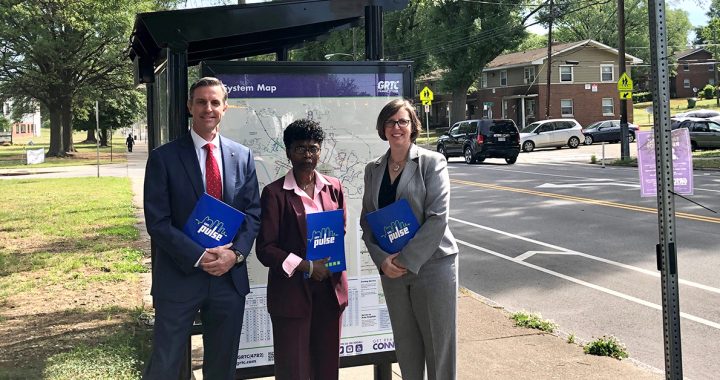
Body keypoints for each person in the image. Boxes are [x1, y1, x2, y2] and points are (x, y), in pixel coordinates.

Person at [142, 77, 261, 379]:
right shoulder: (163, 158)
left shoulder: (242, 156)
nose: (208, 108)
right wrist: (199, 255)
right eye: (201, 102)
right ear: (189, 107)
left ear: (224, 108)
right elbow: (158, 221)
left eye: (215, 102)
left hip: (228, 277)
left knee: (222, 368)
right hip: (180, 276)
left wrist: (235, 255)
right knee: (165, 365)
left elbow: (252, 213)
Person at [360, 99, 459, 380]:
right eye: (390, 122)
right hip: (392, 271)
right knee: (406, 347)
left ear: (413, 126)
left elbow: (438, 217)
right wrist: (383, 261)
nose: (396, 127)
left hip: (432, 266)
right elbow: (367, 221)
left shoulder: (431, 162)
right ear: (383, 128)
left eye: (402, 121)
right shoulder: (373, 168)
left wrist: (404, 260)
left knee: (439, 348)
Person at [255, 118, 348, 380]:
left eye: (313, 148)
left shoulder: (334, 187)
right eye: (300, 148)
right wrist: (306, 266)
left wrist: (325, 263)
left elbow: (339, 232)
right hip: (292, 293)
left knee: (327, 366)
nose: (308, 155)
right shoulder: (275, 194)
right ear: (288, 152)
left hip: (329, 291)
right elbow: (265, 248)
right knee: (293, 368)